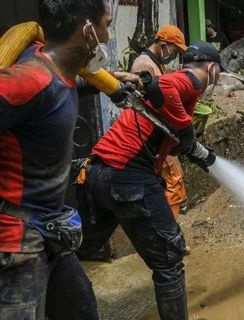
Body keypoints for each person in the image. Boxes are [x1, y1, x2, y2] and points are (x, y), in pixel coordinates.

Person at [0, 0, 140, 319]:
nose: (108, 34)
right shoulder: (28, 80)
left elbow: (56, 95)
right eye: (106, 24)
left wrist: (111, 82)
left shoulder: (56, 72)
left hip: (50, 228)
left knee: (82, 310)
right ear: (88, 31)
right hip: (18, 243)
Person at [76, 41, 226, 320]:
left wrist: (189, 146)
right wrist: (187, 132)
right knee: (169, 261)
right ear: (213, 68)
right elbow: (165, 90)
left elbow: (161, 111)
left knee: (80, 249)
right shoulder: (192, 80)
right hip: (129, 179)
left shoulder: (171, 82)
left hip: (96, 174)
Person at [131, 25, 190, 234]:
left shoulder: (156, 64)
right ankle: (170, 236)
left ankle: (170, 232)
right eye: (174, 51)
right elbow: (146, 105)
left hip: (161, 134)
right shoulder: (144, 66)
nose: (173, 56)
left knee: (171, 183)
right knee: (171, 181)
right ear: (163, 45)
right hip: (152, 135)